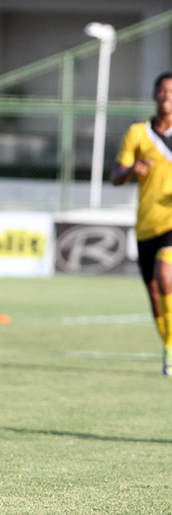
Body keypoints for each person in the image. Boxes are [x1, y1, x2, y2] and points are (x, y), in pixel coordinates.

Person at [111, 71, 172, 376]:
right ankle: (168, 347)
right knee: (154, 294)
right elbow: (115, 177)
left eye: (171, 92)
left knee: (166, 276)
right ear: (153, 94)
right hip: (146, 224)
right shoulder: (137, 133)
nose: (166, 96)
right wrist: (132, 169)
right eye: (162, 91)